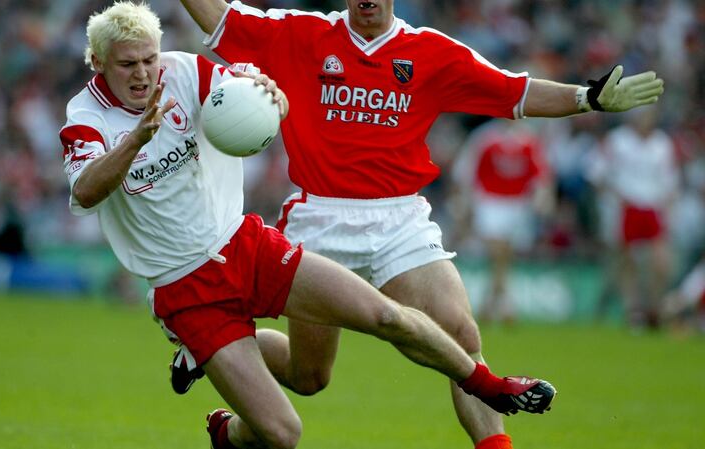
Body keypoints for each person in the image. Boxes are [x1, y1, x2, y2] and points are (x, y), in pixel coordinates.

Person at [61, 2, 556, 448]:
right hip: (185, 287)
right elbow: (85, 190)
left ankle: (491, 385)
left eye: (150, 58)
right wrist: (135, 141)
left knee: (386, 317)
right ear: (99, 63)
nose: (144, 73)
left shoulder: (185, 72)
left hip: (244, 245)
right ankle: (225, 428)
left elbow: (240, 83)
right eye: (128, 64)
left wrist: (261, 91)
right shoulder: (85, 117)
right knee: (284, 430)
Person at [175, 1, 664, 448]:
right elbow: (219, 18)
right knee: (310, 377)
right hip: (320, 216)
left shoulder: (430, 52)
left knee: (460, 334)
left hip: (399, 219)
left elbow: (514, 92)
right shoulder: (300, 34)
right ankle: (222, 389)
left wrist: (588, 98)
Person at [452, 120, 553, 323]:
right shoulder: (485, 138)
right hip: (490, 203)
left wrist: (542, 196)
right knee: (498, 253)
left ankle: (490, 304)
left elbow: (540, 175)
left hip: (517, 205)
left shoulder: (528, 140)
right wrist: (467, 202)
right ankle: (505, 306)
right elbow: (466, 172)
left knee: (504, 257)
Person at [591, 106, 680, 329]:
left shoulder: (662, 144)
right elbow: (597, 173)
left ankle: (653, 307)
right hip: (626, 206)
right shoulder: (618, 141)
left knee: (661, 264)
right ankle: (633, 309)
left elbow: (670, 181)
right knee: (627, 261)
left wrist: (667, 210)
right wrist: (612, 200)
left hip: (652, 207)